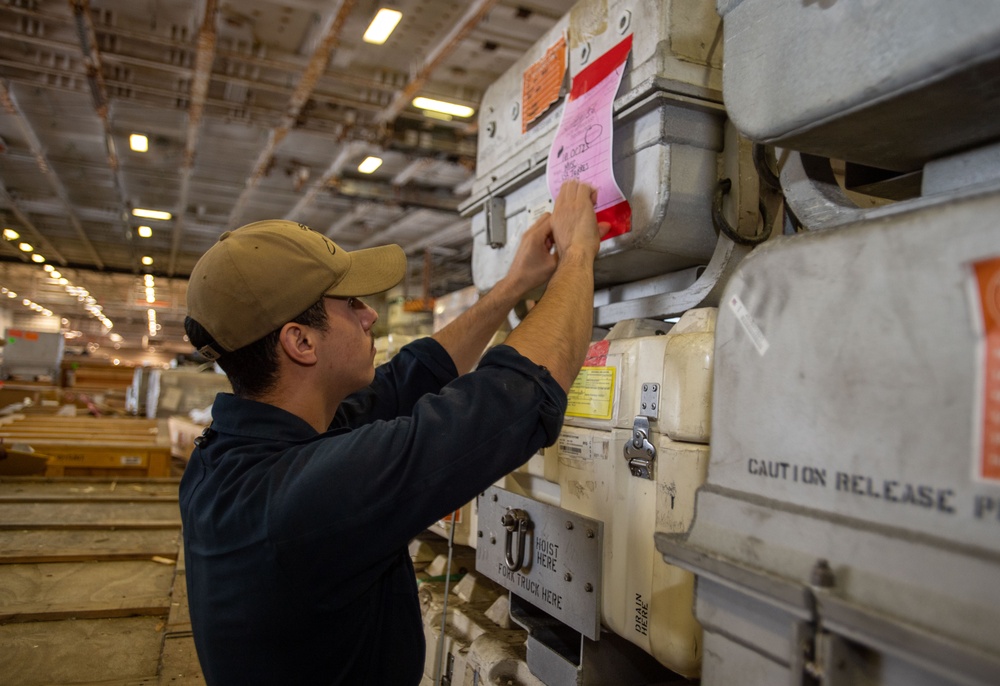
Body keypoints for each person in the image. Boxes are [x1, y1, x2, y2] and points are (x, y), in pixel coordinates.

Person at [180, 179, 609, 685]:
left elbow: (410, 376)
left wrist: (513, 285)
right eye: (349, 303)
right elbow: (513, 396)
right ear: (300, 342)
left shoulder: (238, 453)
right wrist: (580, 250)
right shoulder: (302, 498)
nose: (370, 315)